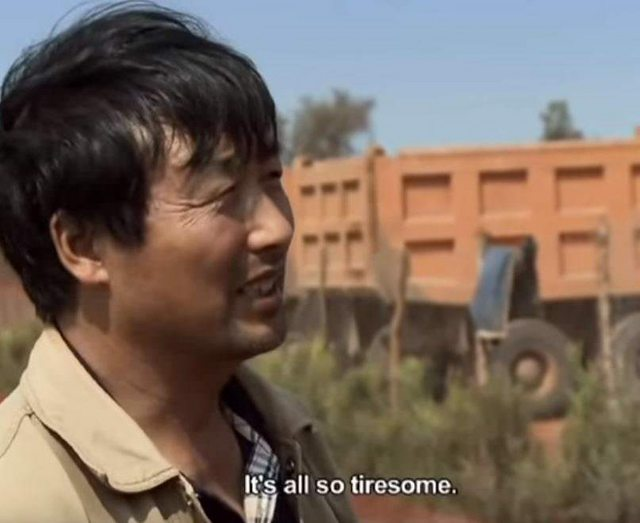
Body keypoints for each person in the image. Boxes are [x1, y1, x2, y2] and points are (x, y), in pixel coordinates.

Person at [0, 3, 357, 522]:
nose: (278, 229)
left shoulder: (289, 435)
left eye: (272, 178)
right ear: (83, 246)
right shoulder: (22, 500)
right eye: (223, 194)